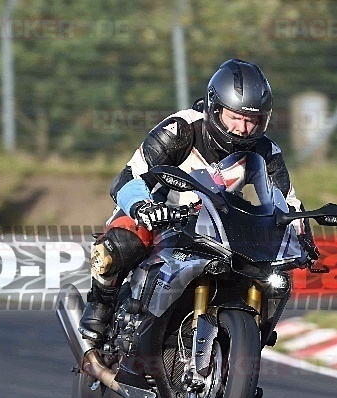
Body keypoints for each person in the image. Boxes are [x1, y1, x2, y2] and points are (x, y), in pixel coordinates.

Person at [79, 58, 320, 342]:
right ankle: (101, 302)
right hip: (161, 215)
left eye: (252, 120)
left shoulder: (266, 149)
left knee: (276, 278)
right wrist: (143, 207)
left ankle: (249, 341)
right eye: (235, 117)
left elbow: (287, 201)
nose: (243, 129)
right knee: (124, 241)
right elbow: (129, 177)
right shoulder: (180, 129)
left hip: (219, 224)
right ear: (215, 109)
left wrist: (302, 237)